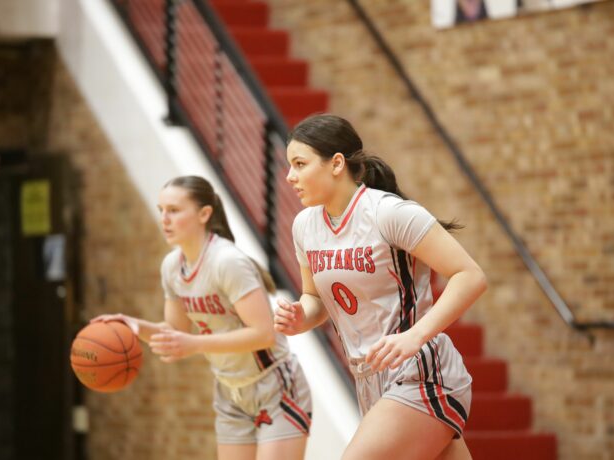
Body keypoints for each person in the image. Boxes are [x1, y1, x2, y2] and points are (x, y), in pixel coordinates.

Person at [274, 114, 487, 460]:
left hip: (421, 373)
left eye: (300, 164)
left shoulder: (388, 213)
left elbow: (470, 275)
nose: (290, 176)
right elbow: (314, 297)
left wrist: (414, 336)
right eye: (289, 165)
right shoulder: (304, 226)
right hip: (370, 380)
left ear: (336, 164)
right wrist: (301, 315)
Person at [93, 176, 311, 460]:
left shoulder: (226, 262)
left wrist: (195, 344)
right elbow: (174, 331)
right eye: (161, 210)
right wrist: (132, 327)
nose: (164, 219)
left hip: (274, 384)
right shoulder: (172, 266)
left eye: (173, 210)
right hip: (230, 390)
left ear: (204, 214)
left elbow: (263, 334)